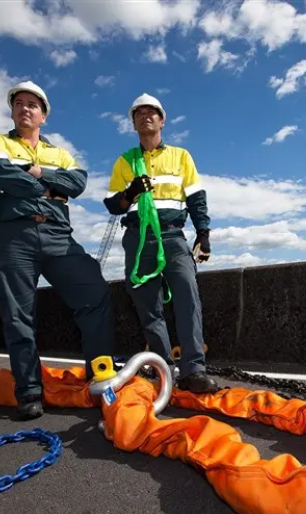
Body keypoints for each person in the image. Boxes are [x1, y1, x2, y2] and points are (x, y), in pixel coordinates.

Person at [0, 80, 116, 420]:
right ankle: (29, 392)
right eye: (19, 103)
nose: (25, 108)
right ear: (13, 110)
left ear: (43, 115)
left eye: (33, 104)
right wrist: (46, 184)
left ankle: (99, 377)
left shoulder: (60, 152)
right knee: (17, 313)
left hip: (57, 234)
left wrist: (32, 173)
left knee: (94, 292)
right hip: (12, 234)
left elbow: (79, 182)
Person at [103, 93, 218, 394]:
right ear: (133, 123)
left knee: (187, 298)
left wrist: (203, 233)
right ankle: (162, 368)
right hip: (138, 240)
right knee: (148, 307)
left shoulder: (181, 156)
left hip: (172, 235)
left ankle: (194, 370)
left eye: (151, 112)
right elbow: (113, 204)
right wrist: (129, 193)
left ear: (162, 119)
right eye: (138, 113)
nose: (145, 116)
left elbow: (195, 197)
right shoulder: (125, 161)